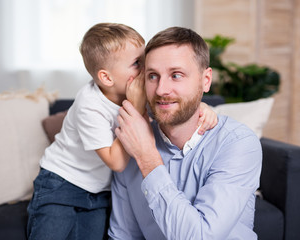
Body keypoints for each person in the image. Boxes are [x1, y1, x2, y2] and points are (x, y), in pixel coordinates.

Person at [27, 23, 217, 240]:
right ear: (107, 78)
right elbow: (116, 162)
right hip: (62, 182)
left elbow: (172, 107)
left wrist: (202, 107)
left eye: (144, 60)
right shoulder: (89, 104)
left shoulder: (142, 90)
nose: (146, 69)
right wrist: (135, 107)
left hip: (99, 189)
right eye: (137, 63)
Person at [109, 27, 262, 239]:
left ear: (205, 80)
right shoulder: (128, 146)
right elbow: (123, 236)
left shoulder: (237, 143)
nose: (162, 89)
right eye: (153, 76)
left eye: (176, 75)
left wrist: (147, 157)